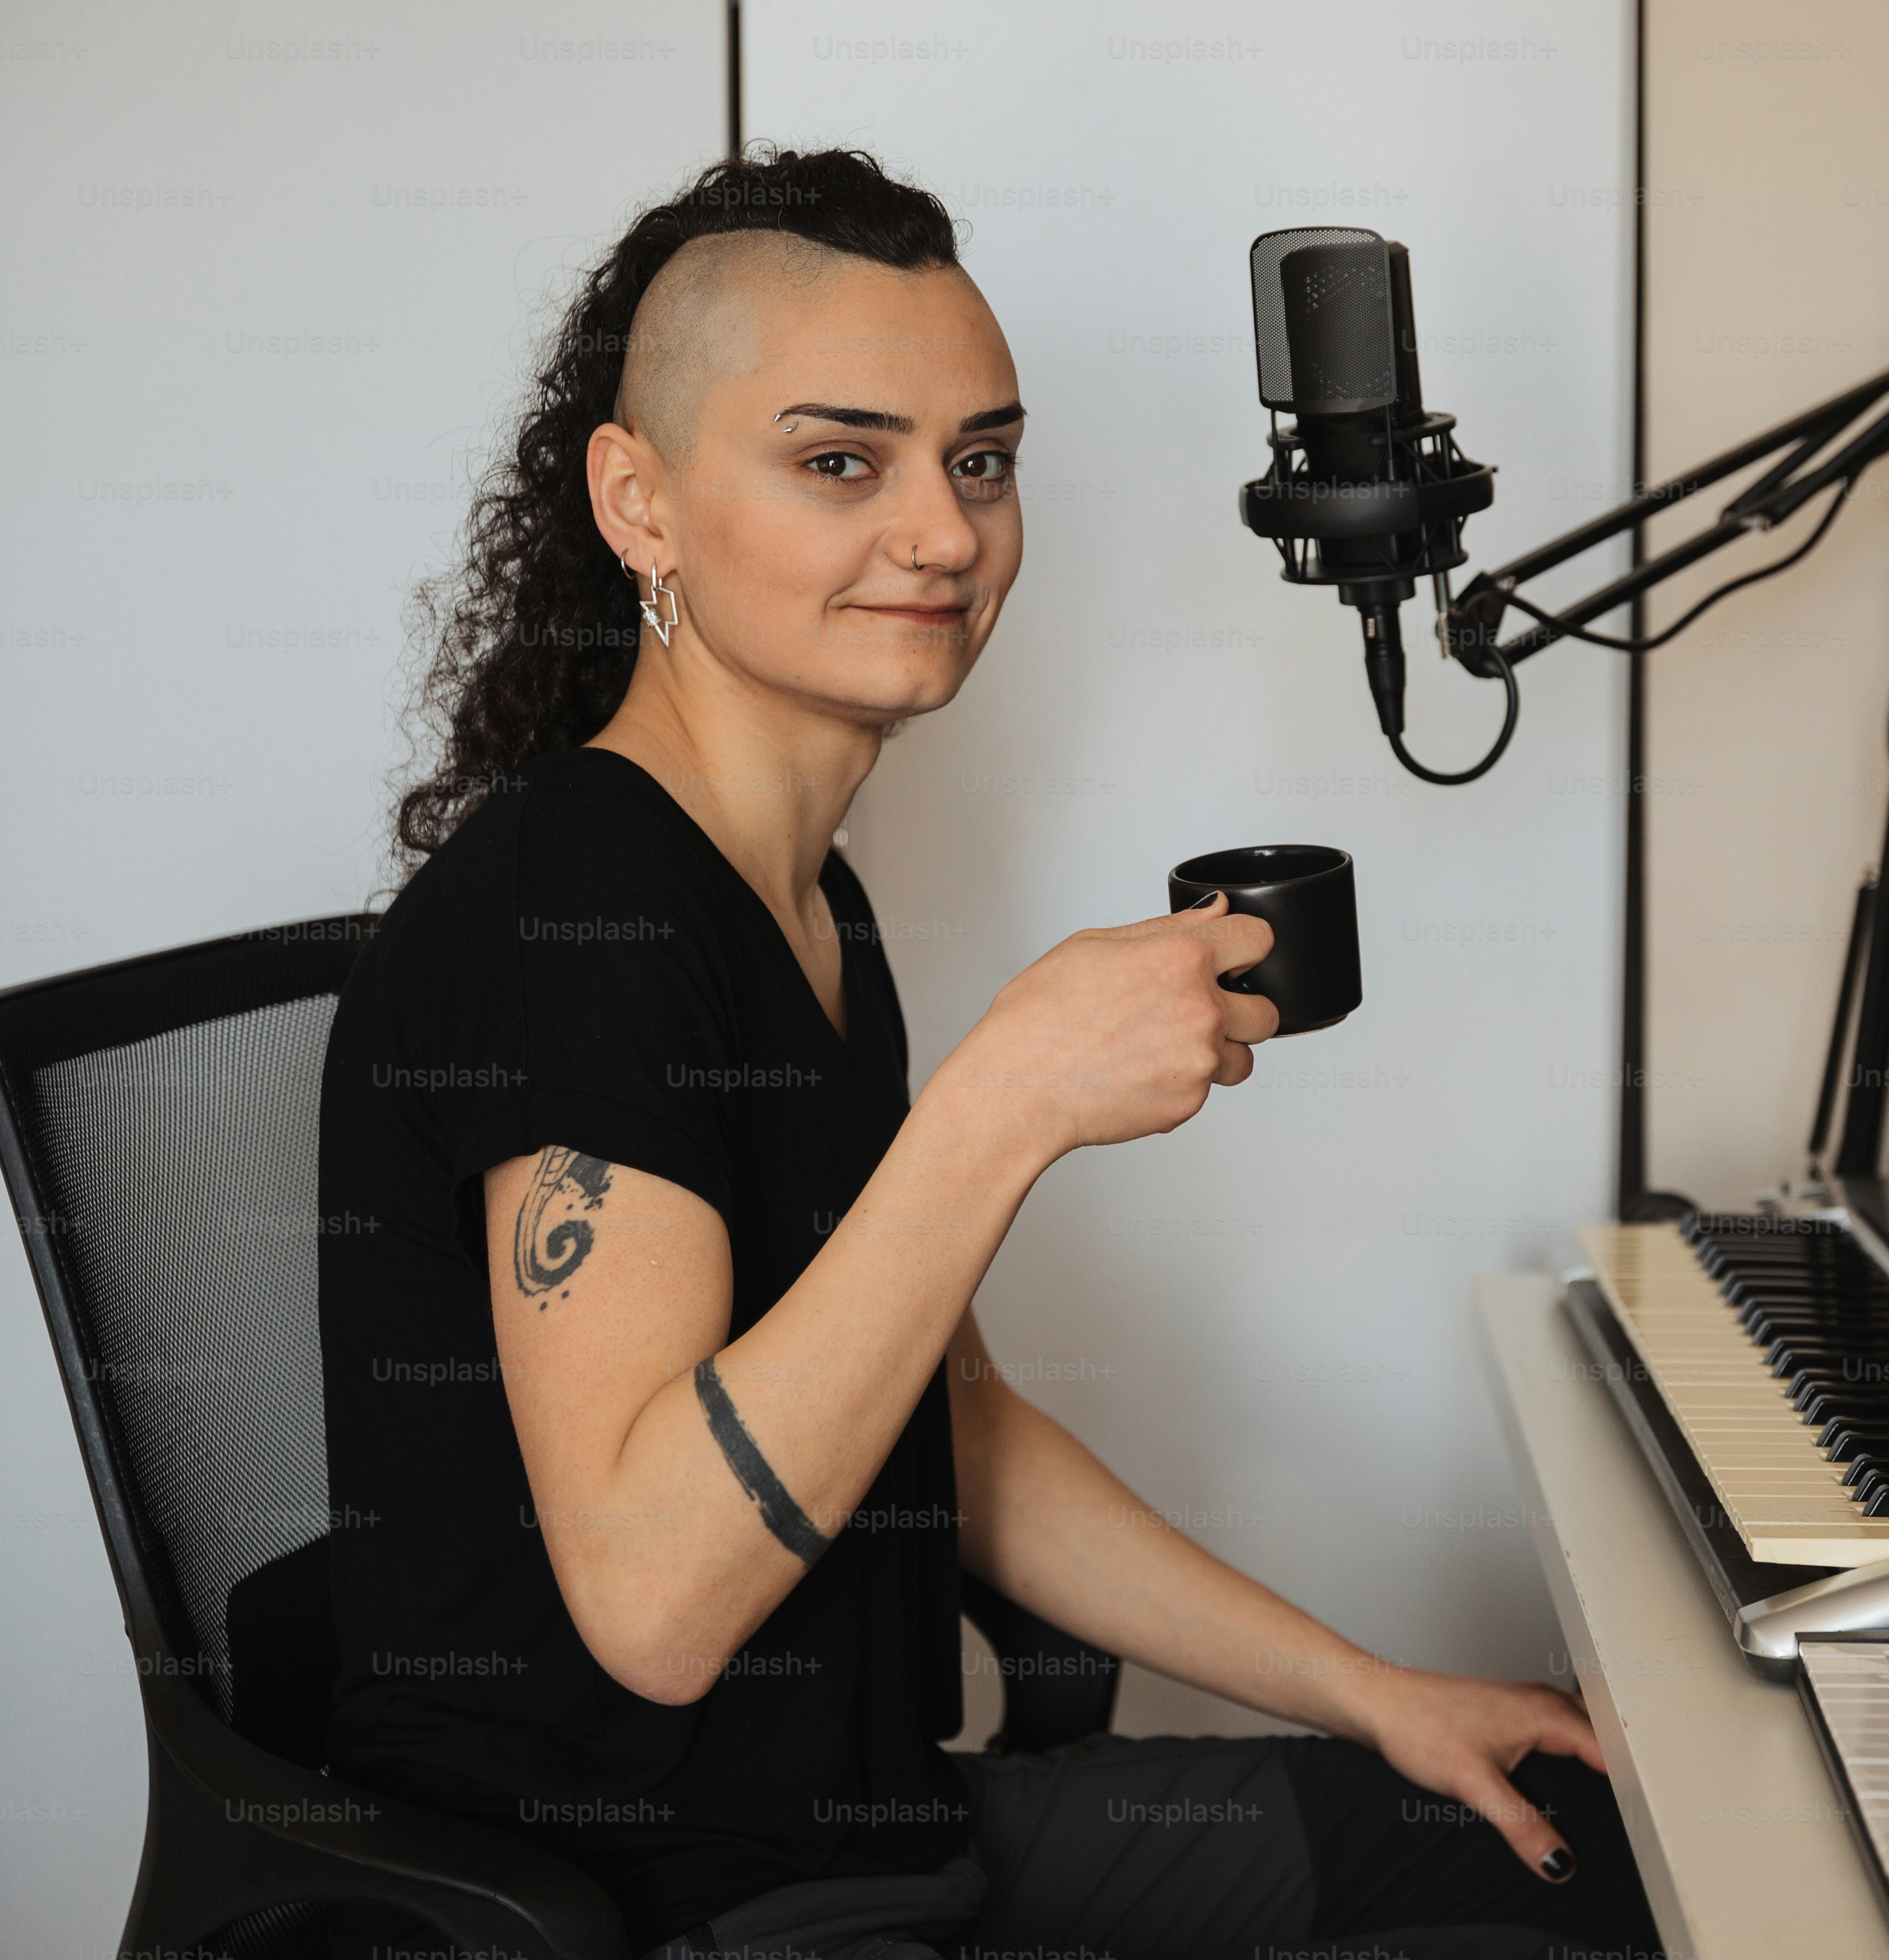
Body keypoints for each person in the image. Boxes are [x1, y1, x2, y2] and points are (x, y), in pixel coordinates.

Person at [318, 147, 1662, 1960]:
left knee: (1565, 1841)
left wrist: (1368, 1692)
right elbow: (652, 1597)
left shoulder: (803, 898)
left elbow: (951, 1430)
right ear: (636, 502)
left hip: (895, 1827)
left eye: (982, 461)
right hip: (675, 1902)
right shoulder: (581, 917)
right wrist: (1005, 1098)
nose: (945, 534)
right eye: (837, 462)